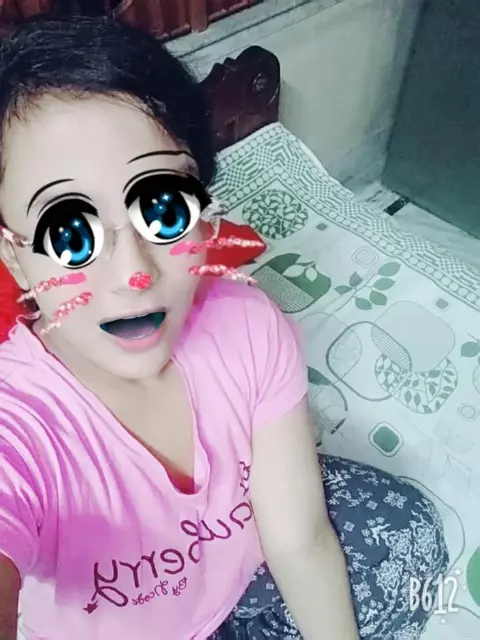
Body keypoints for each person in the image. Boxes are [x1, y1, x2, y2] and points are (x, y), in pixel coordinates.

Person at [0, 14, 448, 640]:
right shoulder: (18, 426)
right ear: (15, 257)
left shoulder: (247, 323)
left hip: (241, 587)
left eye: (161, 207)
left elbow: (299, 539)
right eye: (70, 233)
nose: (134, 274)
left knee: (405, 532)